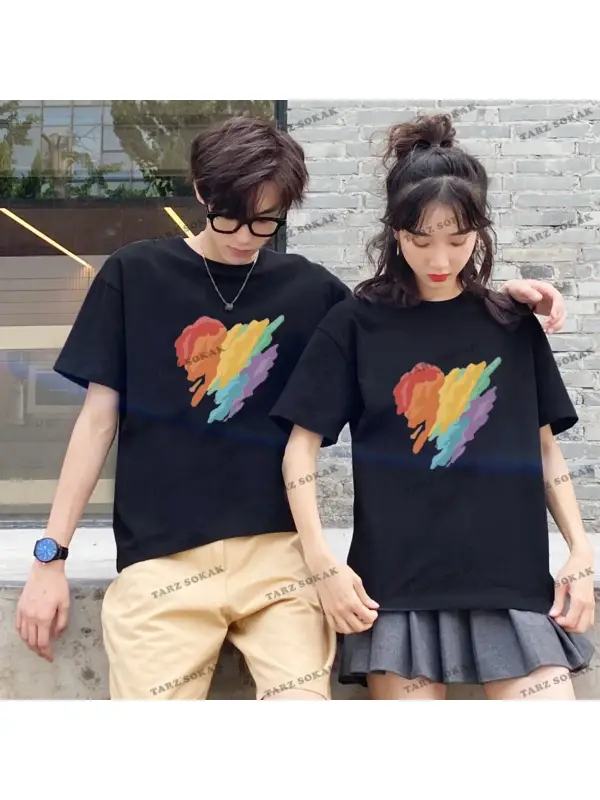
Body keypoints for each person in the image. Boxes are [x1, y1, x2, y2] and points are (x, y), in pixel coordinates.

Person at [16, 115, 568, 701]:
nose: (245, 235)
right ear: (202, 192)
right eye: (230, 216)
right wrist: (50, 556)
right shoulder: (134, 274)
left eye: (266, 220)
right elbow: (96, 421)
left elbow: (409, 320)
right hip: (162, 562)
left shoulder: (312, 291)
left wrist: (499, 299)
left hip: (282, 563)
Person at [271, 113, 595, 701]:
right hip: (397, 592)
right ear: (395, 233)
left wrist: (580, 549)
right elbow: (299, 449)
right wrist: (322, 563)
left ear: (480, 231)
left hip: (511, 583)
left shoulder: (511, 323)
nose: (440, 257)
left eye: (458, 239)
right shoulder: (355, 324)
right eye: (420, 240)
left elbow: (545, 448)